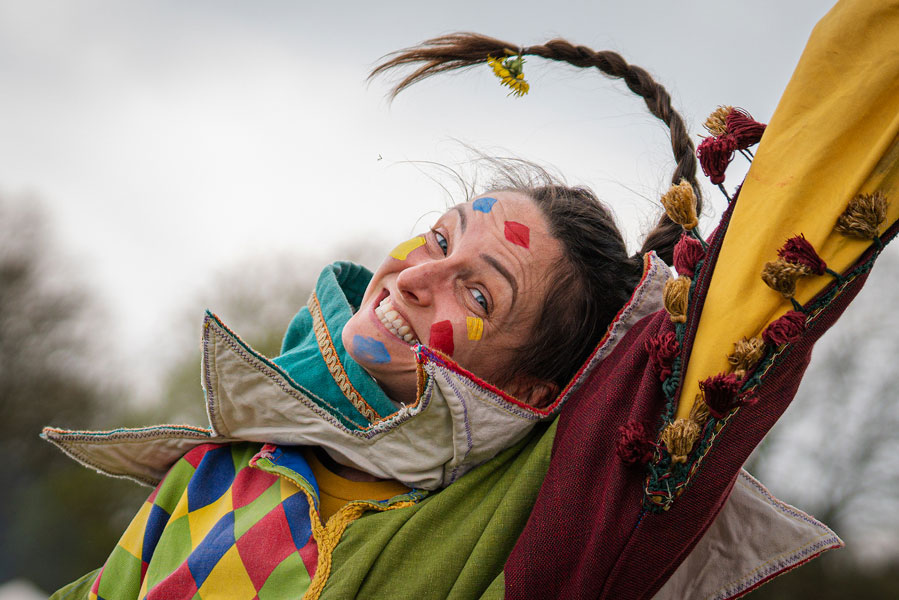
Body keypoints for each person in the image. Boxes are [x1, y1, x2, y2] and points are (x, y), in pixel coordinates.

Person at [46, 0, 899, 597]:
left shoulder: (534, 536)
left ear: (526, 390)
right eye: (444, 238)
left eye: (478, 294)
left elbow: (771, 252)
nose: (414, 278)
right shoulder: (219, 472)